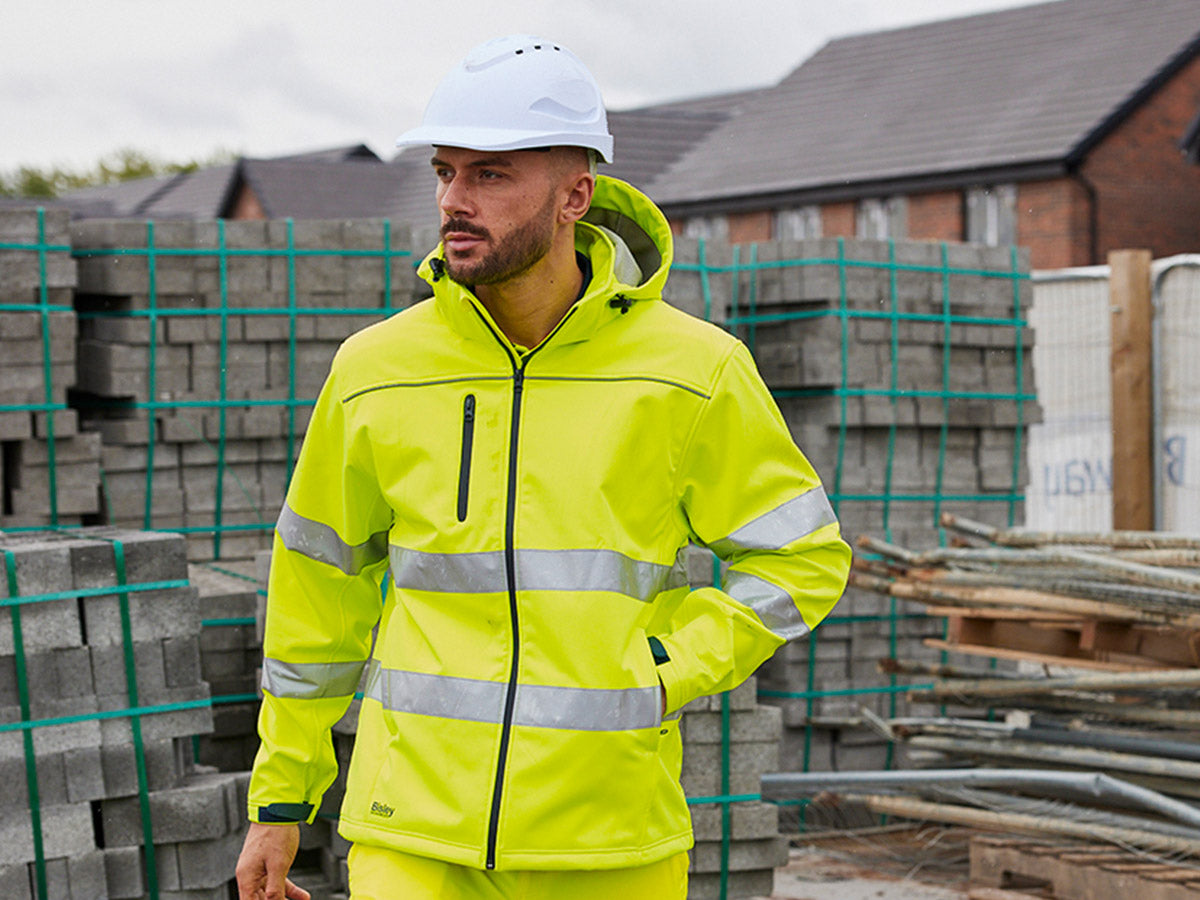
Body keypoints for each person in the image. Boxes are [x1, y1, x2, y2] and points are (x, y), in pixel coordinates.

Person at [236, 34, 851, 900]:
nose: (455, 199)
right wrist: (280, 799)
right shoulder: (375, 369)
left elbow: (805, 557)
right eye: (446, 172)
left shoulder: (693, 371)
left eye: (491, 175)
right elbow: (315, 593)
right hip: (410, 832)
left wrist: (665, 664)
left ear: (576, 196)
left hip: (609, 843)